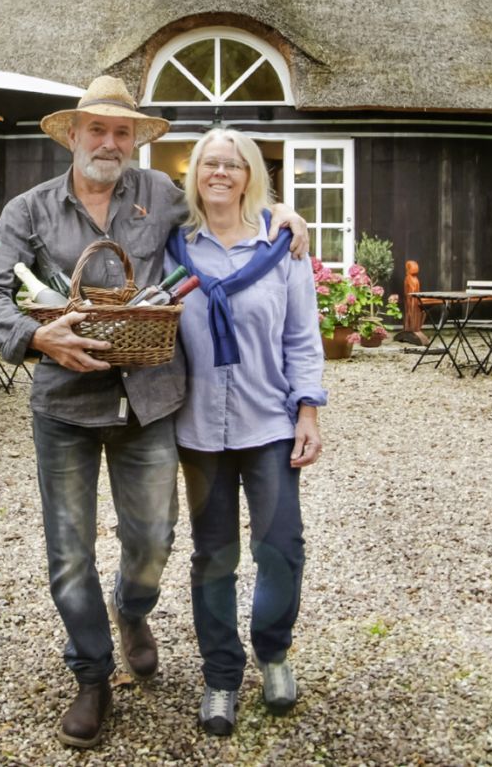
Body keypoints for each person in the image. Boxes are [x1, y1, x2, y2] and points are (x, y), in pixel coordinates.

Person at [0, 76, 309, 749]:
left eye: (121, 131)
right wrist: (37, 336)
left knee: (154, 538)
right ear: (73, 135)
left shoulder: (159, 195)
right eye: (96, 129)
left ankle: (133, 608)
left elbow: (226, 205)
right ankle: (92, 675)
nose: (109, 141)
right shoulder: (29, 210)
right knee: (69, 555)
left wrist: (284, 219)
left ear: (134, 141)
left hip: (149, 402)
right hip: (65, 407)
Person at [165, 128, 326, 737]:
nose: (222, 173)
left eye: (234, 164)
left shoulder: (282, 248)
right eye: (211, 163)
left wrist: (308, 411)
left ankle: (275, 654)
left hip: (269, 425)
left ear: (250, 174)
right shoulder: (175, 249)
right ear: (196, 173)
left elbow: (302, 339)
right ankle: (221, 675)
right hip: (199, 429)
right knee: (214, 556)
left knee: (281, 546)